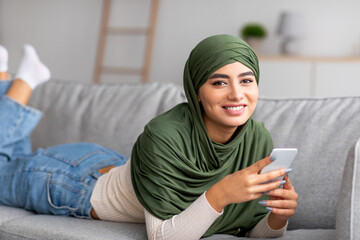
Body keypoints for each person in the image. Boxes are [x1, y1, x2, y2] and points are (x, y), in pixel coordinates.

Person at [0, 35, 298, 239]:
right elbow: (162, 235)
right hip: (72, 182)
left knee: (10, 159)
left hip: (115, 165)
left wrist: (278, 217)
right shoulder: (164, 135)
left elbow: (251, 232)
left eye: (246, 80)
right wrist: (222, 193)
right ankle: (25, 79)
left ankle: (5, 77)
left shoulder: (257, 139)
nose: (237, 93)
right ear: (196, 90)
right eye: (219, 82)